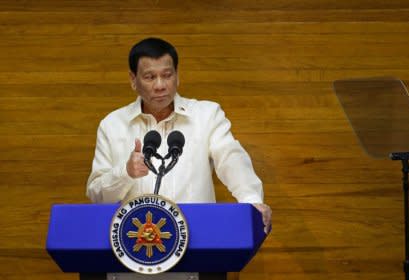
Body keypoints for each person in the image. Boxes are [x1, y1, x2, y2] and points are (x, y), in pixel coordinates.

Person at [86, 36, 271, 236]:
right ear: (133, 80)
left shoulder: (206, 115)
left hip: (198, 239)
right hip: (135, 245)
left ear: (177, 76)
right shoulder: (112, 125)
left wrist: (251, 201)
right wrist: (126, 173)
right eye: (149, 77)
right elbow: (97, 195)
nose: (160, 85)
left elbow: (230, 158)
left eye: (167, 75)